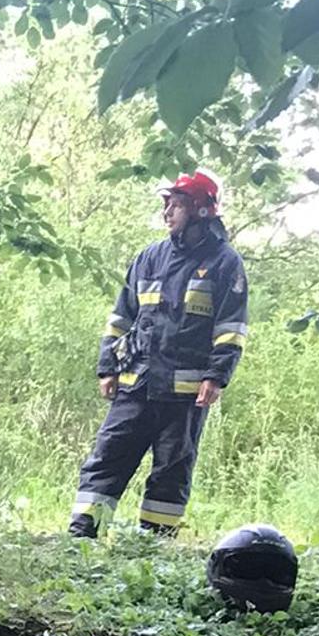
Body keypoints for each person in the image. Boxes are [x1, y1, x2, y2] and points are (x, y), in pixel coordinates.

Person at [70, 171, 247, 538]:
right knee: (107, 458)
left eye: (176, 204)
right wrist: (108, 368)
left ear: (200, 209)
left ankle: (153, 546)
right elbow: (121, 318)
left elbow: (231, 328)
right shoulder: (148, 258)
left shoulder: (224, 263)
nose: (167, 211)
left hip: (185, 395)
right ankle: (81, 538)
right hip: (136, 385)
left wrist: (217, 376)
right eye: (165, 203)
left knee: (172, 471)